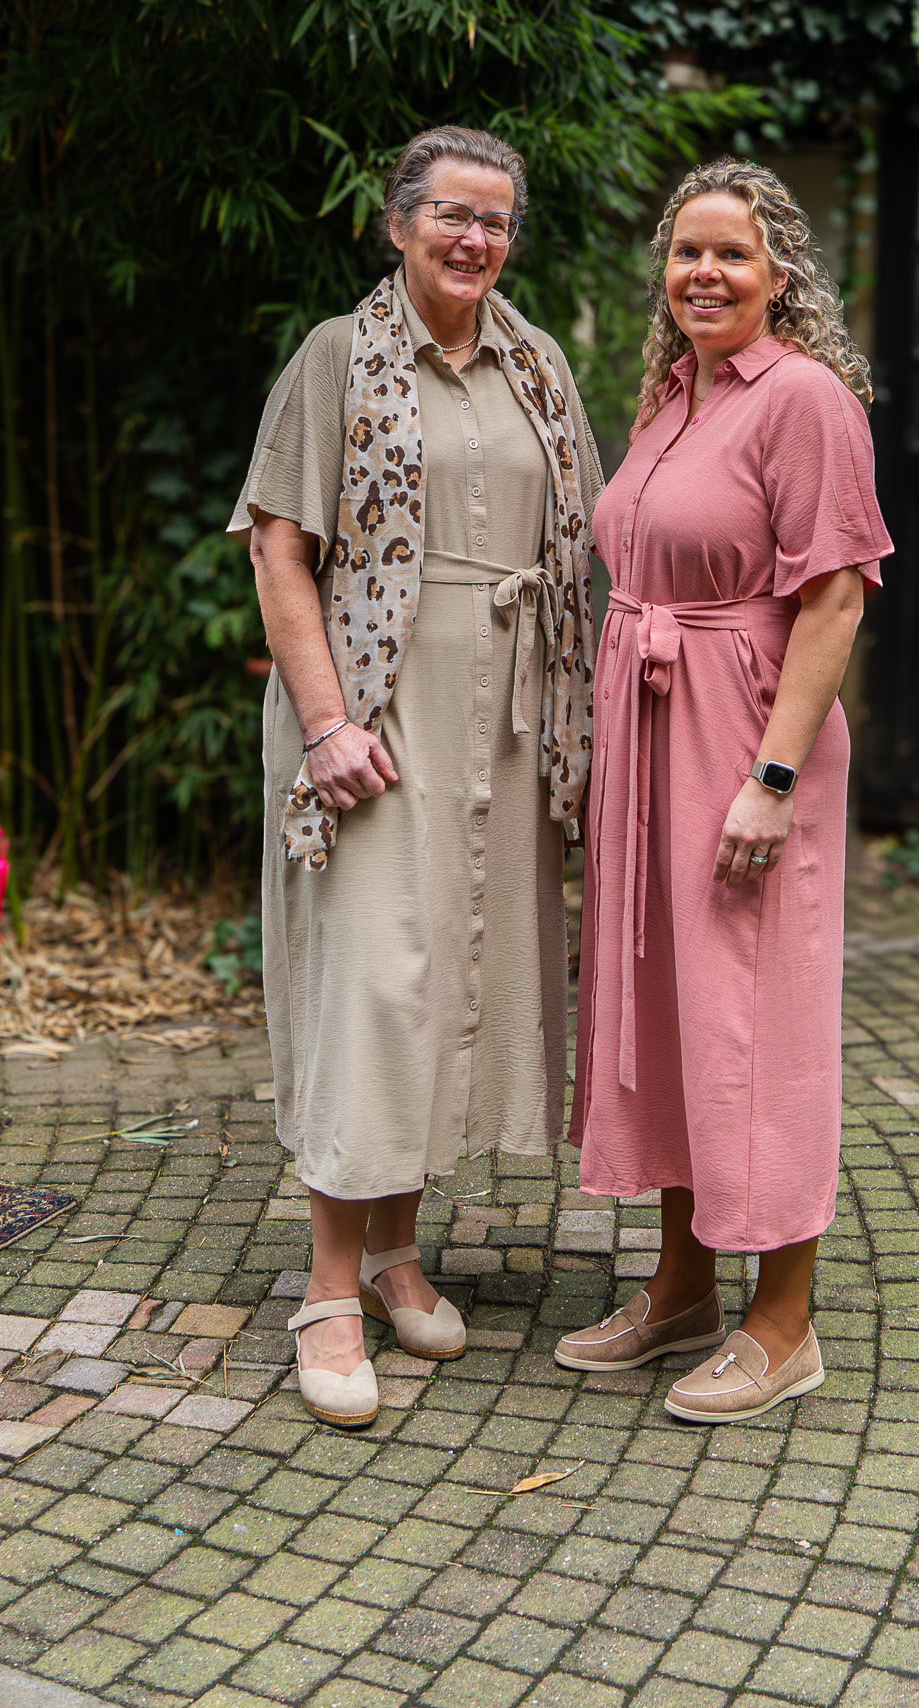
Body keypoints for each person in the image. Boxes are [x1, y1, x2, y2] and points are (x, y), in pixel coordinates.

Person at [230, 126, 600, 1427]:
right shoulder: (337, 356)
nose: (474, 238)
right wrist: (327, 722)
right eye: (451, 213)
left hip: (503, 713)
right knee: (375, 983)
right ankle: (328, 1291)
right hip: (375, 714)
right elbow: (278, 550)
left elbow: (586, 543)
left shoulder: (539, 364)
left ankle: (396, 1252)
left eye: (496, 220)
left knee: (451, 980)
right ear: (396, 224)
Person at [557, 158, 891, 1422]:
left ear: (779, 273)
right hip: (650, 735)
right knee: (668, 1005)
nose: (704, 272)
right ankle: (684, 1285)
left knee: (757, 1014)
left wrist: (772, 776)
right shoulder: (671, 394)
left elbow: (835, 598)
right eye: (686, 251)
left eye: (731, 253)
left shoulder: (805, 398)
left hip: (745, 732)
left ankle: (783, 1320)